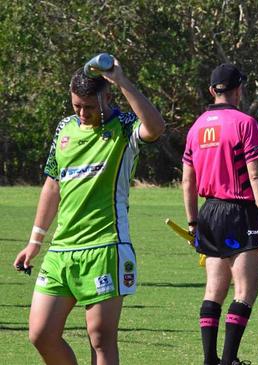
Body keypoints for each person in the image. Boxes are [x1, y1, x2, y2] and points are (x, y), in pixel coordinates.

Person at [12, 56, 165, 365]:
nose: (82, 113)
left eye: (89, 107)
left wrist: (121, 80)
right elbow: (52, 185)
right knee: (40, 333)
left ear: (106, 97)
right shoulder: (64, 129)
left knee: (100, 338)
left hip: (106, 247)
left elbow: (156, 127)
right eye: (76, 106)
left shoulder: (123, 128)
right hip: (61, 250)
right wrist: (34, 241)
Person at [182, 63, 258, 365]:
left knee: (213, 291)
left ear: (212, 91)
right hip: (240, 210)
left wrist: (193, 221)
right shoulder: (245, 123)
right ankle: (228, 360)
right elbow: (257, 175)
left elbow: (188, 180)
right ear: (239, 89)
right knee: (245, 292)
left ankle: (211, 359)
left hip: (209, 212)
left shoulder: (196, 127)